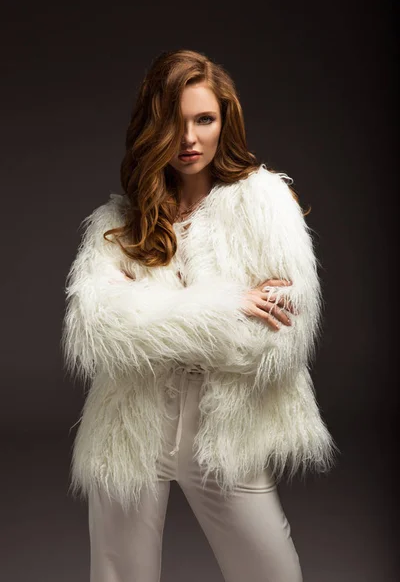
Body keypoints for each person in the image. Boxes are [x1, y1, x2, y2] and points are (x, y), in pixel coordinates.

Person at [61, 48, 338, 582]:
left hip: (225, 425)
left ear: (224, 122)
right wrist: (227, 304)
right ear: (153, 126)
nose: (189, 139)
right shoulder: (119, 221)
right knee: (117, 574)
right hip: (130, 423)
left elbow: (278, 342)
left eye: (204, 120)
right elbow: (95, 325)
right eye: (173, 121)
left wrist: (150, 318)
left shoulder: (264, 203)